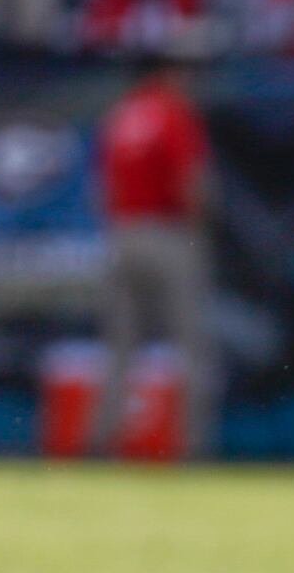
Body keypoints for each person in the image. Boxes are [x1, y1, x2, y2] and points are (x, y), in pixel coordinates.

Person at [90, 54, 218, 460]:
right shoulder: (173, 113)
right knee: (193, 347)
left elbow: (98, 187)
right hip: (167, 234)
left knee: (119, 349)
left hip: (122, 232)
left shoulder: (120, 114)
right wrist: (199, 232)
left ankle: (100, 443)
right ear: (168, 73)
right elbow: (191, 184)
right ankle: (191, 447)